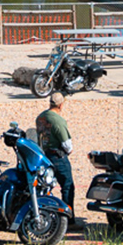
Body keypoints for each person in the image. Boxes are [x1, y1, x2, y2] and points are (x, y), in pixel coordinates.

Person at [35, 91, 81, 230]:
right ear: (61, 105)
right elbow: (67, 145)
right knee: (67, 186)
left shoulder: (40, 117)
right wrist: (68, 151)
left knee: (45, 186)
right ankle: (68, 220)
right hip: (58, 156)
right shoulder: (58, 121)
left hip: (44, 156)